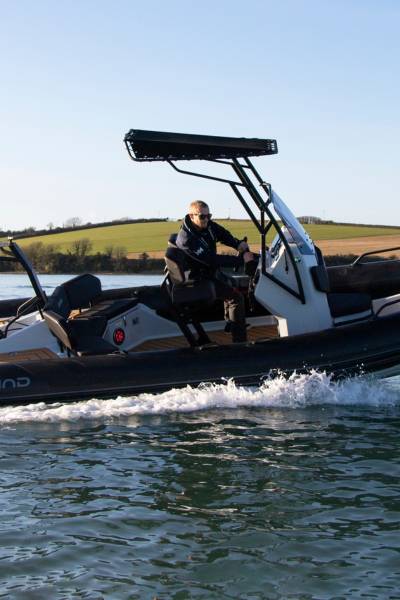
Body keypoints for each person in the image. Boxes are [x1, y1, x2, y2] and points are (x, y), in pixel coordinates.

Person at [176, 200, 253, 343]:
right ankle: (240, 342)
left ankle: (232, 323)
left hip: (209, 271)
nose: (206, 219)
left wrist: (238, 244)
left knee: (232, 282)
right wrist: (241, 260)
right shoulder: (186, 239)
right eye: (202, 216)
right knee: (236, 298)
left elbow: (223, 234)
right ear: (191, 216)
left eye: (208, 215)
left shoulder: (208, 225)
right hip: (197, 277)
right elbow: (211, 259)